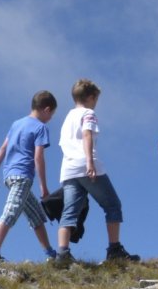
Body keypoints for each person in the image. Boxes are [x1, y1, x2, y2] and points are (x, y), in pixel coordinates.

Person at [53, 79, 139, 266]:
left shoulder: (67, 117)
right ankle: (114, 249)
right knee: (113, 205)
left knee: (69, 212)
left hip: (68, 169)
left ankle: (62, 253)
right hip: (86, 164)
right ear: (91, 97)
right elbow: (87, 135)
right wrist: (90, 162)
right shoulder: (88, 114)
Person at [0, 91, 59, 265]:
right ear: (46, 109)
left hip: (9, 176)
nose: (51, 118)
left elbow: (3, 148)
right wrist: (43, 187)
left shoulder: (17, 124)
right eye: (52, 114)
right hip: (23, 177)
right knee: (11, 212)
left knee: (36, 216)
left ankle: (50, 254)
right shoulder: (41, 128)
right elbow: (39, 157)